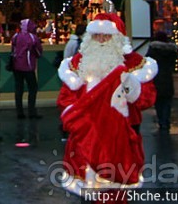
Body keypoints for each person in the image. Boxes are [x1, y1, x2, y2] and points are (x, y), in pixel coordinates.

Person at [57, 12, 158, 195]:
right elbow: (66, 96)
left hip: (123, 129)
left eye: (106, 35)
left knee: (117, 182)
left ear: (117, 37)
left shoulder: (134, 63)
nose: (102, 39)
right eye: (97, 35)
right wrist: (75, 117)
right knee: (86, 184)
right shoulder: (78, 62)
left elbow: (147, 98)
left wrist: (130, 85)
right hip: (88, 130)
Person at [11, 18, 43, 119]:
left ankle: (19, 112)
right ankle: (31, 111)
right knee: (33, 88)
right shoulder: (33, 38)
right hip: (28, 66)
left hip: (16, 66)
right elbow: (38, 51)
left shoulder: (15, 36)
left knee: (19, 89)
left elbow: (13, 50)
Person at [145, 31, 176, 132]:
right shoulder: (172, 51)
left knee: (158, 102)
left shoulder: (153, 50)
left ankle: (161, 121)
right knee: (167, 102)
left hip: (157, 78)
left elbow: (147, 61)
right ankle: (166, 121)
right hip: (167, 77)